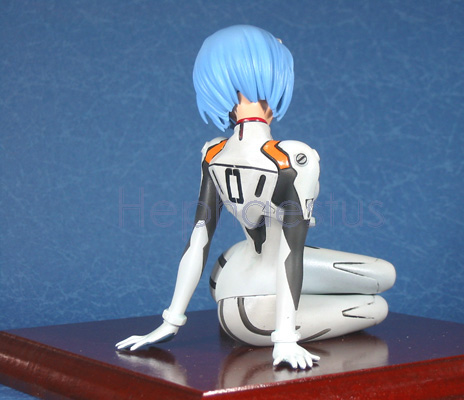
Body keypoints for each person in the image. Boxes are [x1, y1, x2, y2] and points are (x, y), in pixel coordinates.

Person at [116, 25, 396, 370]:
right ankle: (287, 324)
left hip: (229, 278)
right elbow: (291, 250)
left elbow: (198, 240)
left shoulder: (212, 153)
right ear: (275, 80)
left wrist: (170, 321)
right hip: (257, 318)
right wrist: (285, 338)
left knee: (376, 278)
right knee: (376, 301)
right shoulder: (292, 157)